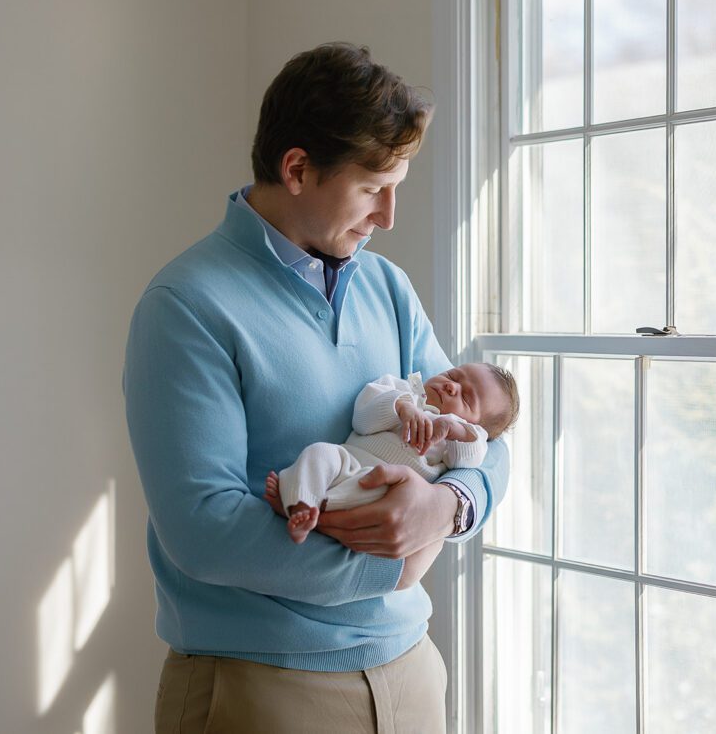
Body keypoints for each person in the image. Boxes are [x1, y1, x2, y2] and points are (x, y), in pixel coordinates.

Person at [123, 42, 510, 733]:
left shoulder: (387, 286)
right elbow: (205, 529)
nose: (389, 215)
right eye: (371, 188)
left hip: (412, 668)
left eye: (398, 186)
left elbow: (485, 436)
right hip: (261, 687)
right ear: (297, 168)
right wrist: (392, 567)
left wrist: (447, 507)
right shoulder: (186, 304)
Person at [264, 364, 519, 543]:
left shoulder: (456, 440)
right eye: (453, 375)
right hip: (347, 459)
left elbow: (474, 456)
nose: (452, 386)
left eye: (467, 399)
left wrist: (456, 430)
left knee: (371, 497)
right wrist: (401, 406)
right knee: (319, 453)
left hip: (383, 486)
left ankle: (304, 507)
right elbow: (362, 419)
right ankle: (302, 503)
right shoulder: (400, 388)